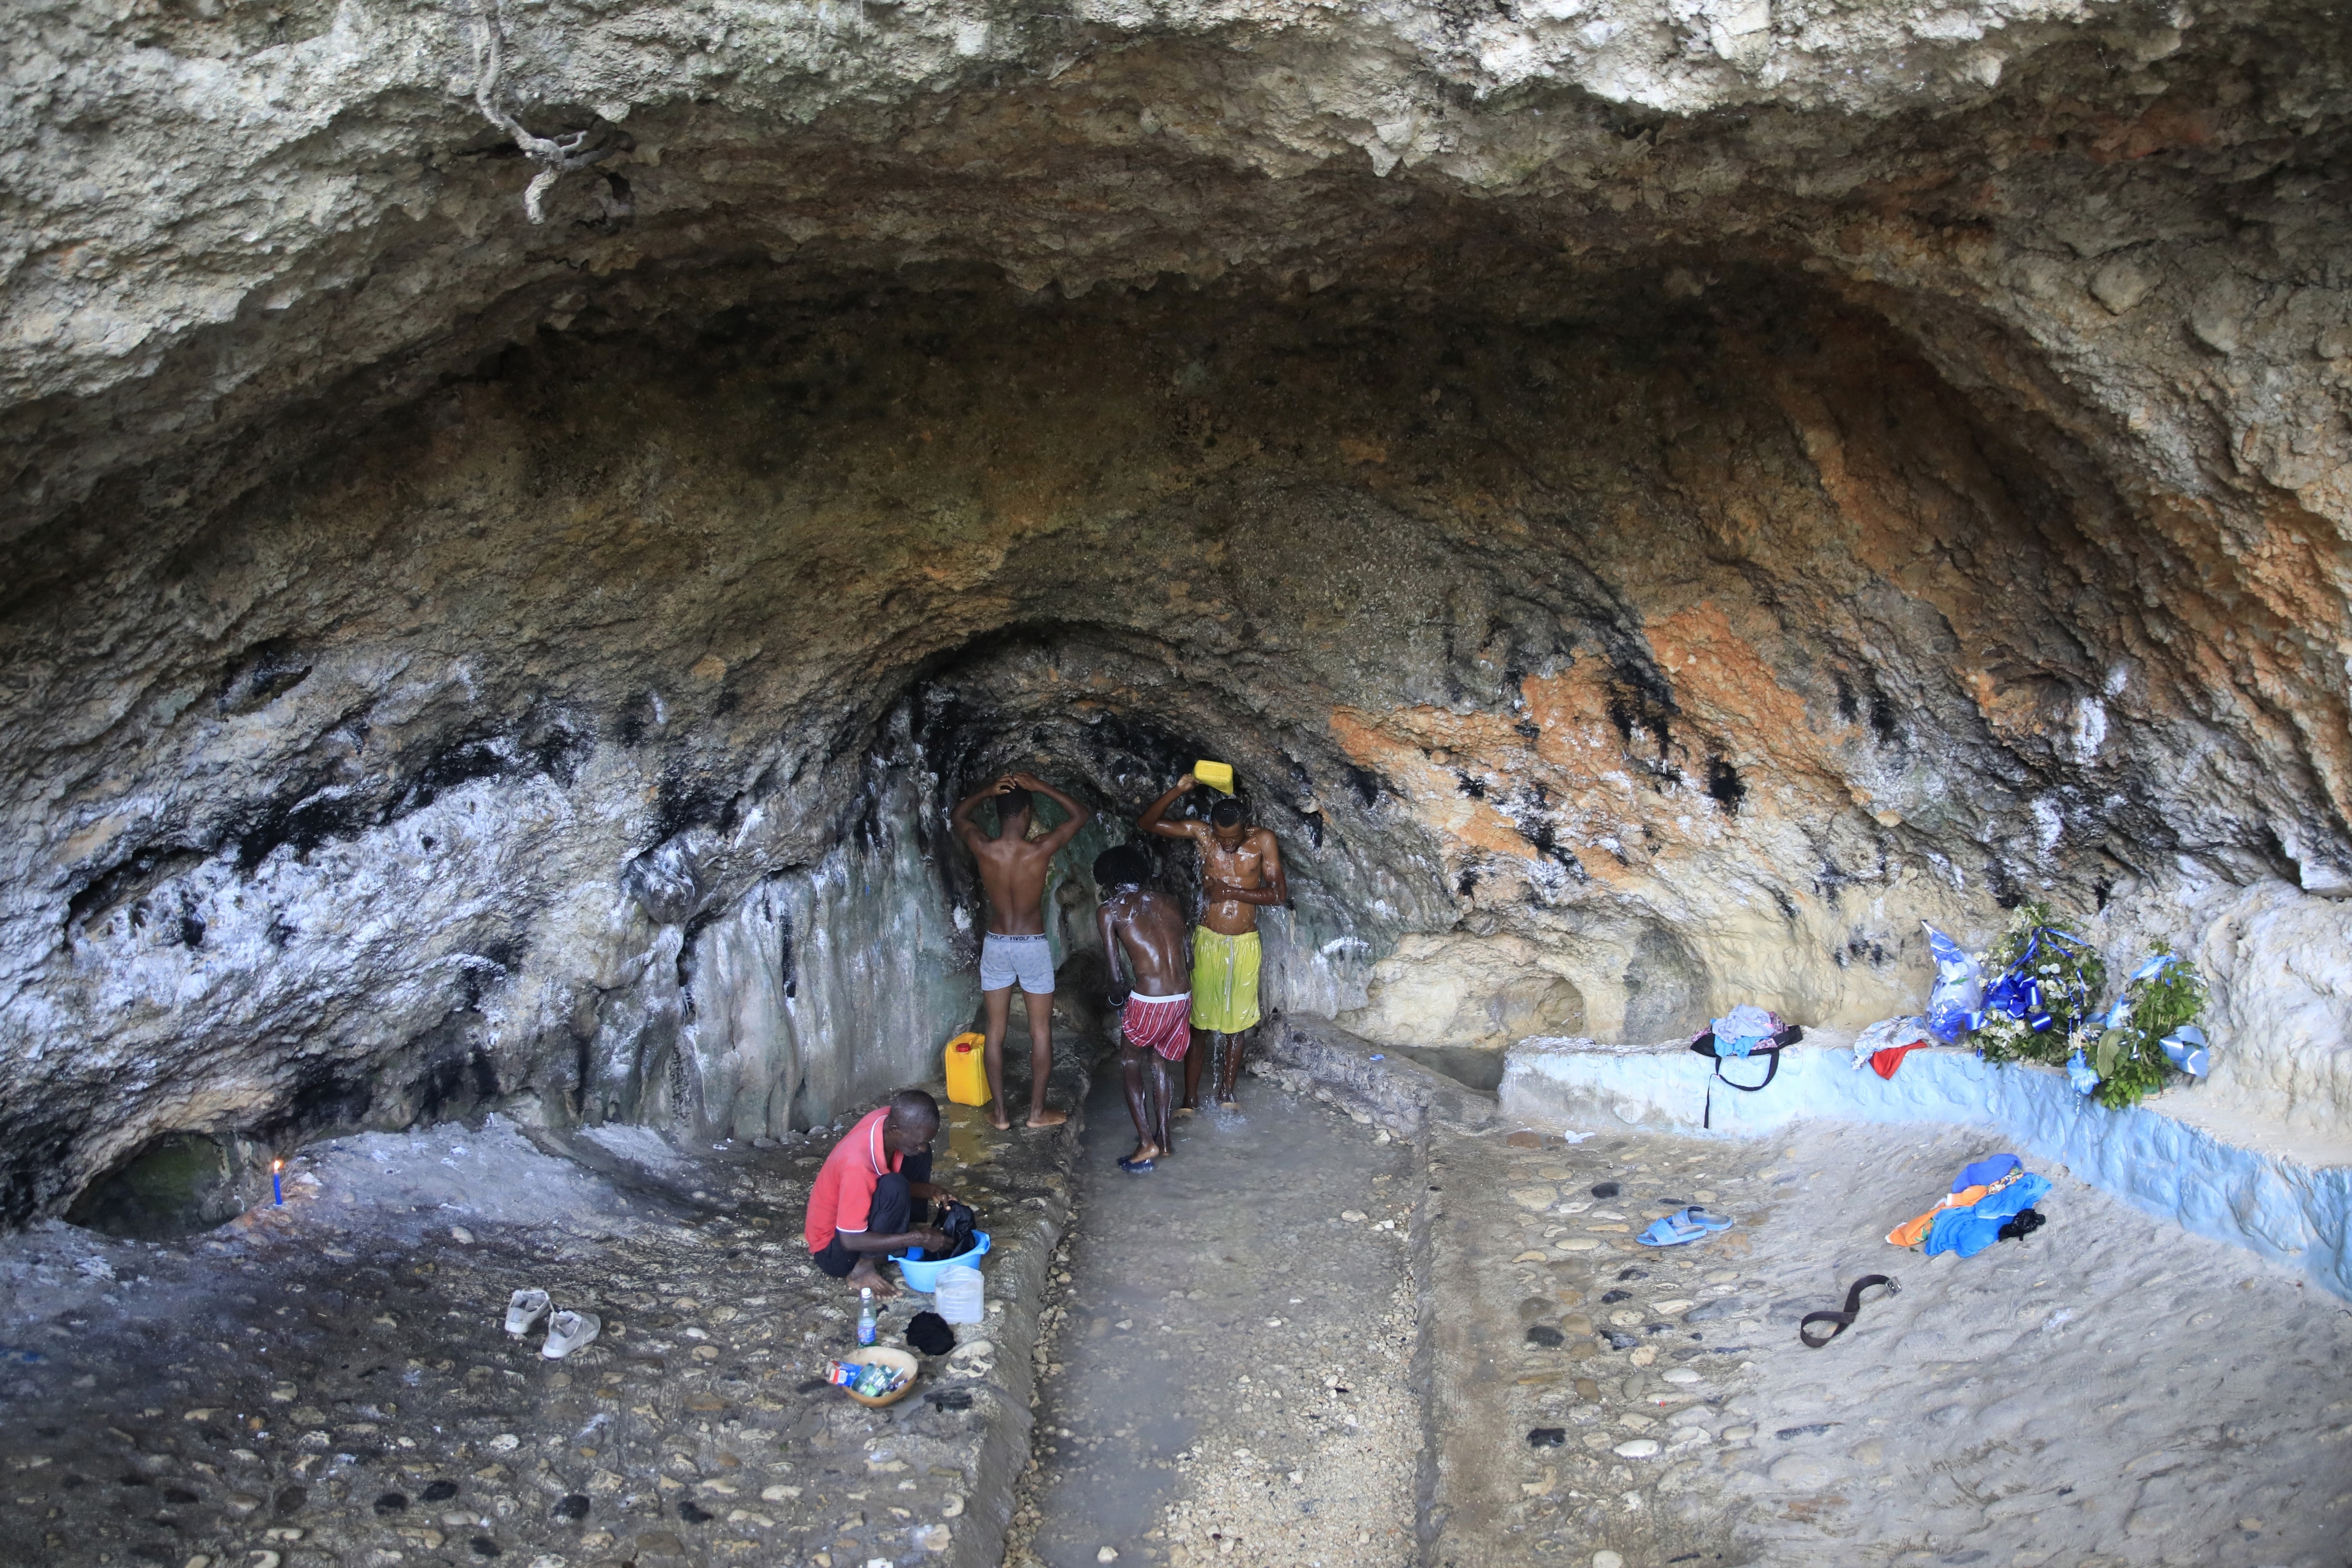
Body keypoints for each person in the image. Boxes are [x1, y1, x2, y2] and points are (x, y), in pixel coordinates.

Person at [950, 770, 1095, 1130]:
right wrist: (1042, 786)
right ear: (1028, 812)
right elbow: (1080, 816)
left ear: (999, 814)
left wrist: (984, 790)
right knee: (1040, 1031)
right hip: (1030, 945)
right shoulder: (1040, 849)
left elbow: (958, 817)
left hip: (997, 944)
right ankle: (1035, 1114)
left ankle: (1000, 1116)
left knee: (995, 1032)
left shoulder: (983, 847)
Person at [1138, 772, 1287, 1108]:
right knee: (1199, 1022)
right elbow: (1148, 822)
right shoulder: (1203, 835)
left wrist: (1231, 891)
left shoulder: (1262, 840)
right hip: (1208, 939)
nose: (1226, 844)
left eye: (1232, 839)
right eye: (1221, 837)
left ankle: (1226, 1095)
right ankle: (1190, 1099)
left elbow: (1278, 894)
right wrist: (1177, 789)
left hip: (1245, 943)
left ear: (1246, 828)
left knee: (1237, 1025)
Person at [1092, 842, 1192, 1172]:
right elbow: (1185, 957)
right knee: (1160, 1062)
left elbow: (1115, 974)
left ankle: (1145, 1142)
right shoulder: (1171, 902)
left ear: (1107, 878)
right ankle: (1164, 1140)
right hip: (1182, 995)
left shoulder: (1110, 909)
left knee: (1129, 1060)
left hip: (1150, 998)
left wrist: (1117, 1000)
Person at [803, 1089, 958, 1299]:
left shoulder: (886, 1120)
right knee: (895, 1186)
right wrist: (917, 1239)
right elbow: (849, 1240)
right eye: (919, 1142)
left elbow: (881, 1178)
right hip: (835, 1250)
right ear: (895, 1129)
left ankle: (904, 1224)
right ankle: (863, 1270)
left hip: (855, 1218)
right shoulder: (857, 1166)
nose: (922, 1148)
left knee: (917, 1155)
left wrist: (933, 1191)